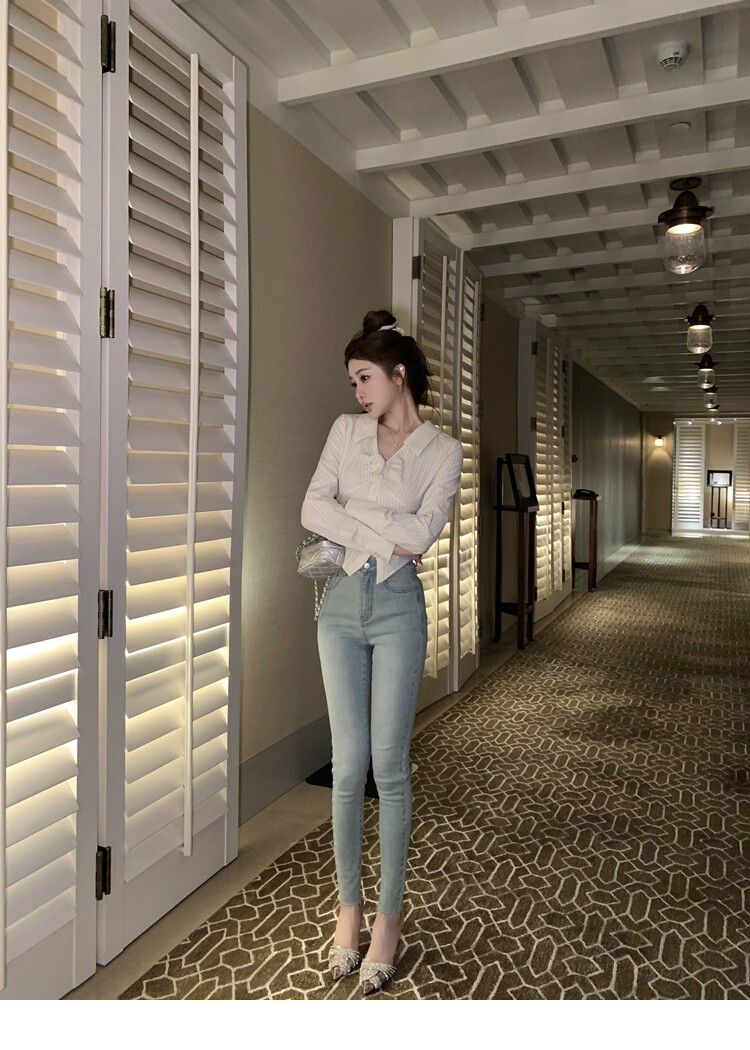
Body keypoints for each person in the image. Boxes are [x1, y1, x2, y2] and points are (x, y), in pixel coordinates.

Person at [301, 309, 463, 995]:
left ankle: (388, 920)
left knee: (389, 770)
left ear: (399, 374)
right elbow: (311, 509)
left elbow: (421, 536)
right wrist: (382, 527)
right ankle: (348, 910)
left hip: (398, 610)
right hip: (339, 606)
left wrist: (358, 520)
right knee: (348, 769)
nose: (358, 391)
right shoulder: (345, 432)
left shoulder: (443, 452)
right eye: (353, 381)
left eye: (365, 377)